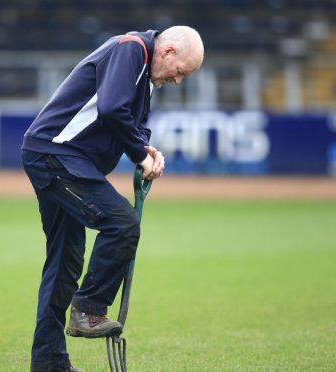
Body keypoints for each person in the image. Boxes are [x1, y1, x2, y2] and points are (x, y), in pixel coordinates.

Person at [21, 25, 204, 372]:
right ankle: (88, 308)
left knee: (64, 265)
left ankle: (48, 364)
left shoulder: (144, 74)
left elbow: (133, 122)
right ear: (167, 53)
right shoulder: (131, 49)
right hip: (55, 155)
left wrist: (145, 147)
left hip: (58, 157)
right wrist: (138, 153)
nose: (178, 81)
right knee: (121, 222)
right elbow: (110, 109)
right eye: (180, 72)